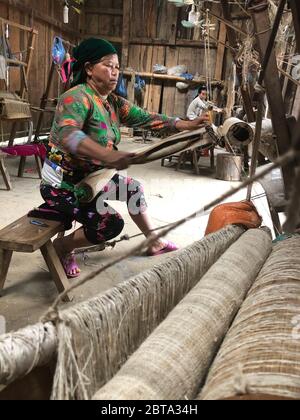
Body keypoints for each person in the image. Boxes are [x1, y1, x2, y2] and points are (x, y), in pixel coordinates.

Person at [40, 38, 209, 278]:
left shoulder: (112, 103)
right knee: (109, 224)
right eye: (108, 65)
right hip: (63, 185)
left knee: (134, 190)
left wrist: (186, 124)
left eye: (117, 67)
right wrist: (107, 155)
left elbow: (146, 118)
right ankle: (62, 248)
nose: (114, 72)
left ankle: (154, 242)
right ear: (89, 68)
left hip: (91, 179)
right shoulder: (76, 98)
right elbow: (68, 135)